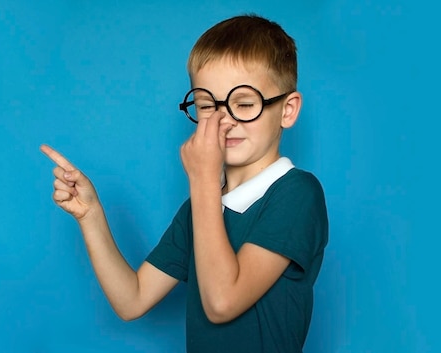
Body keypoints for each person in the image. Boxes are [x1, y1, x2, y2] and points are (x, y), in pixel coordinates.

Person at [40, 13, 328, 353]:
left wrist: (204, 179)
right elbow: (131, 299)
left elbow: (222, 302)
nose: (225, 121)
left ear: (287, 110)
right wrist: (91, 216)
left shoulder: (296, 193)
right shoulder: (200, 206)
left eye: (245, 104)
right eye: (207, 105)